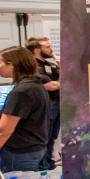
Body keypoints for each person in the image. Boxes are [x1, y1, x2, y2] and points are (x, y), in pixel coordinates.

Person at [0, 47, 50, 173]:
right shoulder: (35, 85)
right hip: (33, 150)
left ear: (12, 64)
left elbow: (3, 131)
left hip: (19, 154)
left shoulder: (21, 92)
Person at [26, 38, 59, 170]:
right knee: (45, 136)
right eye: (47, 47)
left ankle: (48, 163)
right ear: (37, 50)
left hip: (57, 103)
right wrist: (63, 80)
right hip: (47, 105)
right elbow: (52, 85)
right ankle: (42, 166)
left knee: (52, 136)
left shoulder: (50, 64)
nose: (51, 49)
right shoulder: (34, 67)